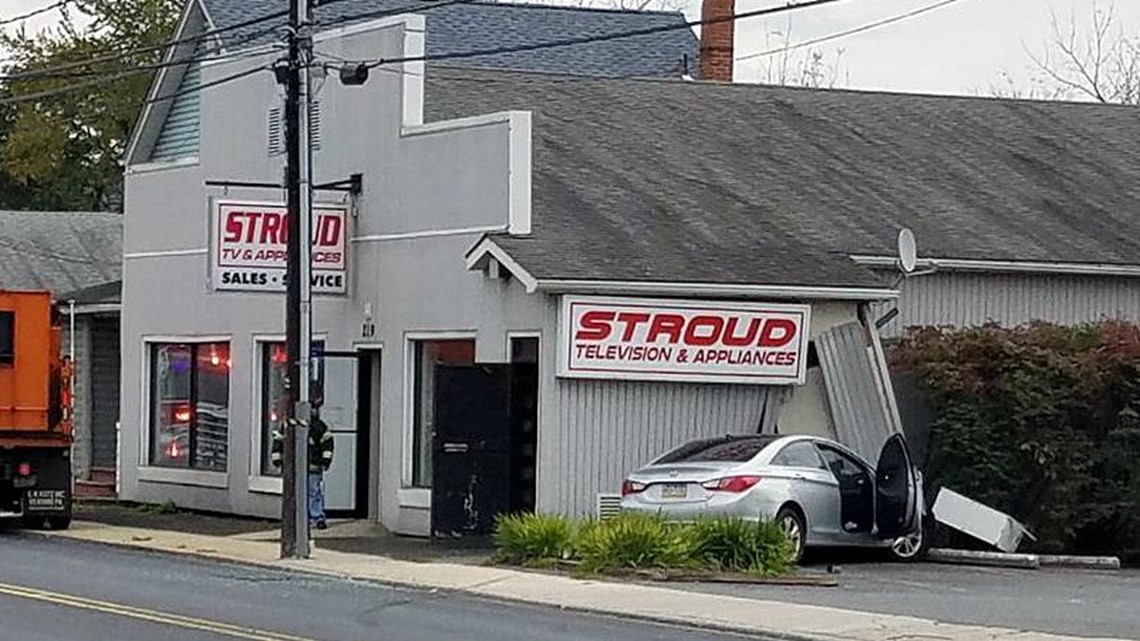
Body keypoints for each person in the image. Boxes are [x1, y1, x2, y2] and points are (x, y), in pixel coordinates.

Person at [270, 396, 335, 529]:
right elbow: (278, 443)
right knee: (304, 492)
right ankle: (303, 518)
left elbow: (327, 444)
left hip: (312, 466)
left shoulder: (317, 426)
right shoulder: (289, 425)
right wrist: (277, 459)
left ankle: (316, 518)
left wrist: (325, 460)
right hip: (295, 466)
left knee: (312, 492)